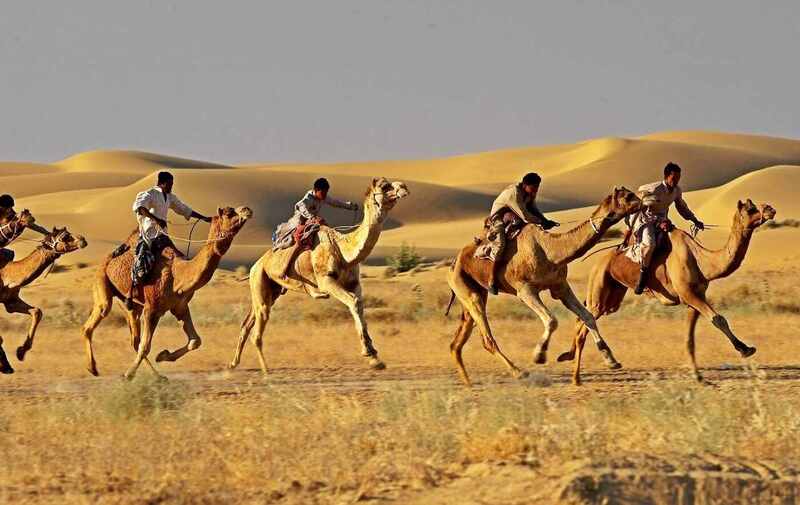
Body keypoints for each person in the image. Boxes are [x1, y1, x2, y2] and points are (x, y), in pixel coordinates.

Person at [127, 171, 211, 307]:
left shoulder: (170, 197)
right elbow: (140, 208)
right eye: (170, 184)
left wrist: (204, 218)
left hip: (163, 236)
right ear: (162, 183)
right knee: (141, 262)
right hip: (149, 235)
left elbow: (184, 209)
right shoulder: (149, 194)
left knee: (178, 258)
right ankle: (130, 293)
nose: (172, 186)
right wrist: (156, 219)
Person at [629, 162, 704, 295]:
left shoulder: (676, 190)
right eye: (673, 178)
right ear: (666, 176)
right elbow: (641, 207)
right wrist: (658, 222)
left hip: (663, 220)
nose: (676, 181)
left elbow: (682, 208)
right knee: (650, 245)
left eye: (678, 178)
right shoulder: (653, 189)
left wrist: (694, 220)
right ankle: (642, 279)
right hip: (646, 220)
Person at [486, 172, 559, 295]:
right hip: (499, 217)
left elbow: (533, 209)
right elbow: (524, 215)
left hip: (514, 215)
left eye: (537, 187)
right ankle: (492, 280)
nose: (535, 190)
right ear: (525, 185)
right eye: (533, 187)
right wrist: (541, 221)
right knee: (500, 245)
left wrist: (545, 220)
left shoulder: (529, 193)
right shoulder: (514, 194)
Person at [272, 177, 358, 277]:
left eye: (326, 192)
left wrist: (350, 206)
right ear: (316, 190)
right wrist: (313, 218)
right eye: (323, 192)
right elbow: (300, 206)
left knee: (327, 232)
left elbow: (335, 203)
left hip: (311, 223)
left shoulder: (322, 197)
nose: (325, 195)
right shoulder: (308, 198)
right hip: (298, 223)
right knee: (299, 241)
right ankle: (285, 269)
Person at [0, 194, 50, 264]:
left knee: (9, 255)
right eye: (7, 208)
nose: (9, 210)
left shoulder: (17, 218)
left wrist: (47, 233)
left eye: (10, 207)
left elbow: (33, 226)